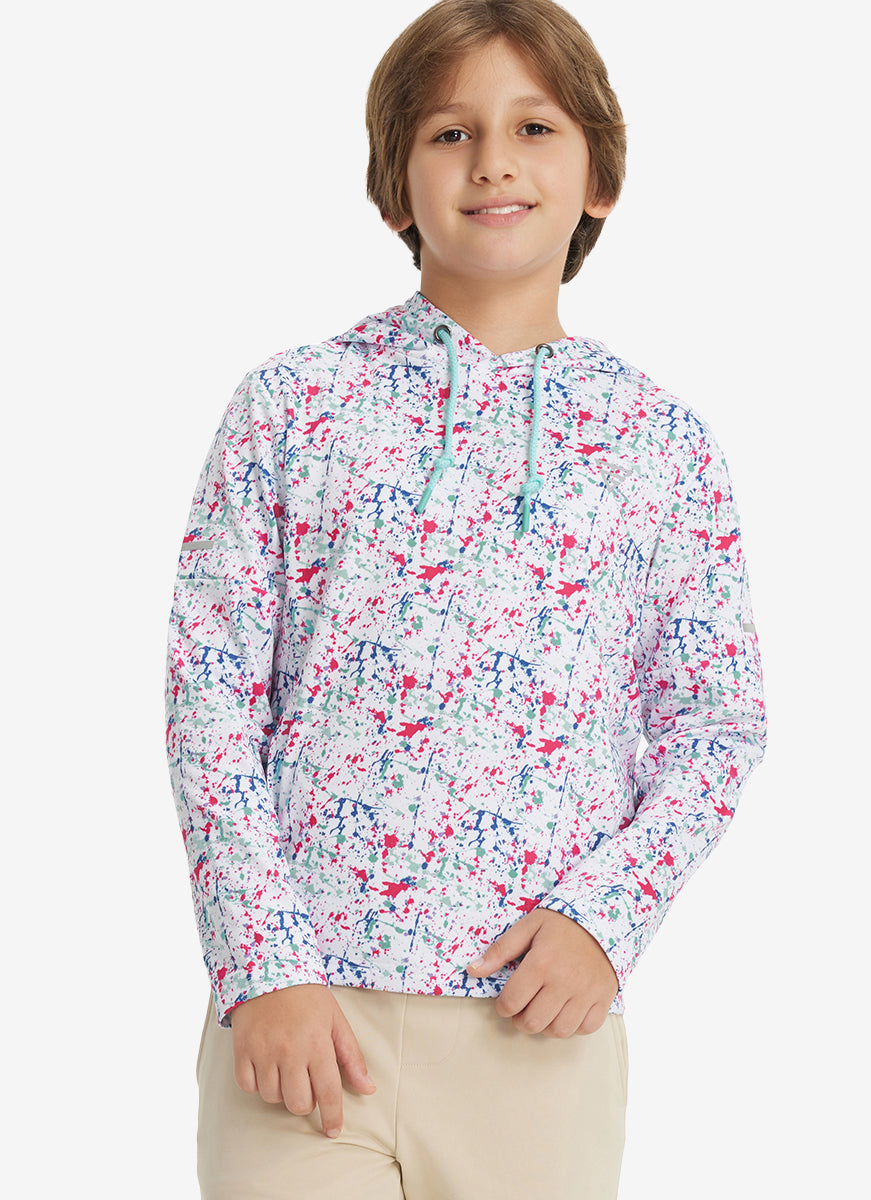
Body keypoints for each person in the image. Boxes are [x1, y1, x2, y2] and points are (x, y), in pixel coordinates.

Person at [164, 1, 766, 1197]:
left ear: (599, 177)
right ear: (397, 188)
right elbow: (210, 695)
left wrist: (607, 919)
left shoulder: (660, 444)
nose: (493, 160)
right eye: (450, 133)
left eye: (534, 127)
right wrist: (262, 964)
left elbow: (717, 723)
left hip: (534, 1033)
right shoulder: (293, 407)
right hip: (303, 1025)